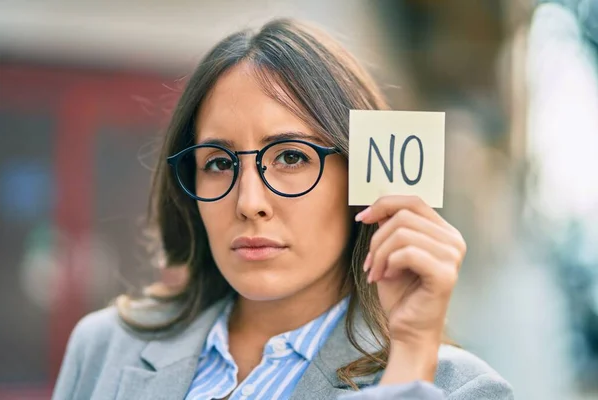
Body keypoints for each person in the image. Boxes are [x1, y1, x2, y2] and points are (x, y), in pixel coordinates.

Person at [52, 18, 513, 399]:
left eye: (291, 157)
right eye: (218, 162)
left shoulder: (461, 388)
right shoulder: (104, 348)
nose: (250, 203)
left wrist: (409, 356)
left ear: (361, 179)